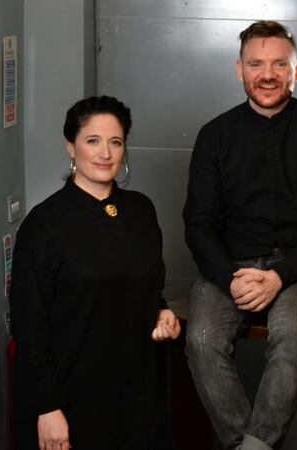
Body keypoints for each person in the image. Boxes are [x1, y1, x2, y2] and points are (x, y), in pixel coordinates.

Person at [182, 20, 297, 450]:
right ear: (239, 69)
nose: (268, 74)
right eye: (256, 64)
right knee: (201, 340)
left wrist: (279, 275)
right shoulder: (214, 135)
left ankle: (252, 448)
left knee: (292, 333)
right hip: (229, 269)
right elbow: (199, 225)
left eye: (280, 64)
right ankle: (249, 446)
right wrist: (230, 279)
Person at [10, 95, 181, 450]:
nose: (105, 153)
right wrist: (47, 407)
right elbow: (29, 327)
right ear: (70, 147)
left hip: (139, 398)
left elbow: (147, 287)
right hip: (74, 399)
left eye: (115, 142)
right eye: (92, 141)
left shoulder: (141, 211)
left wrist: (162, 312)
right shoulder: (44, 225)